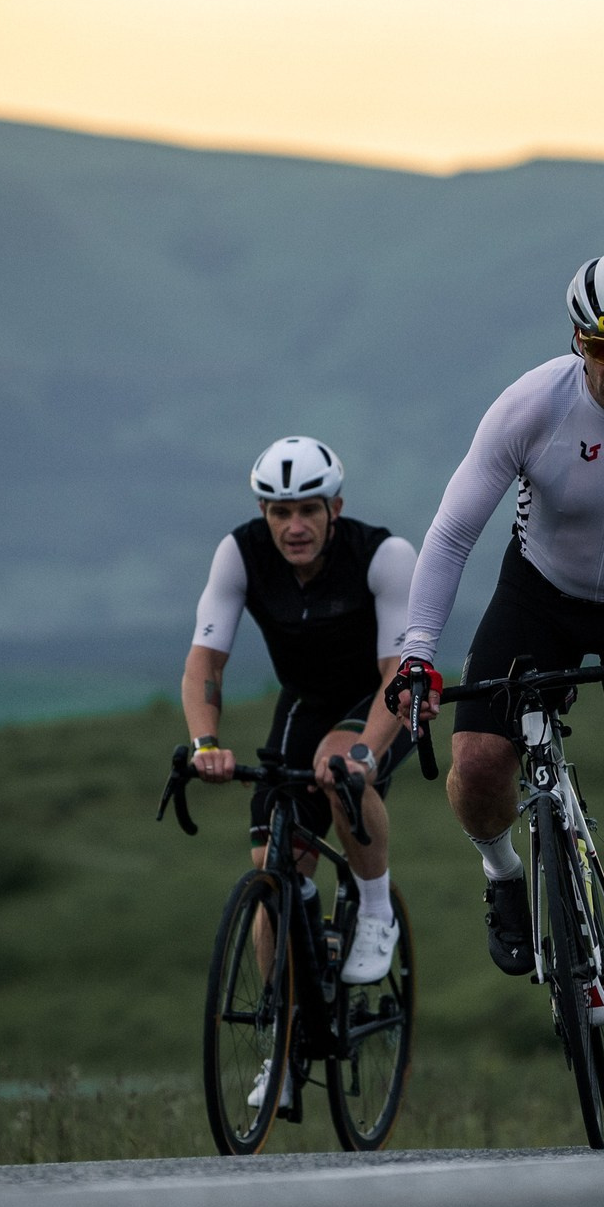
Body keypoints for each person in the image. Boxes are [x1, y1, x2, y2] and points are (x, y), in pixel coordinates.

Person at [385, 251, 604, 1092]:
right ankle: (504, 874)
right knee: (477, 763)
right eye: (598, 349)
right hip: (539, 593)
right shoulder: (531, 405)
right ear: (578, 342)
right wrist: (415, 654)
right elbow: (448, 537)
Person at [181, 437, 416, 1108]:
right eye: (279, 511)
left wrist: (365, 753)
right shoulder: (241, 553)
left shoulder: (382, 556)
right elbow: (205, 668)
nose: (293, 526)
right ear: (263, 511)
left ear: (334, 507)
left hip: (385, 697)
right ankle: (283, 1045)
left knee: (342, 769)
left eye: (308, 509)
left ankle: (376, 911)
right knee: (273, 865)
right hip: (306, 705)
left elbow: (398, 674)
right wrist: (205, 744)